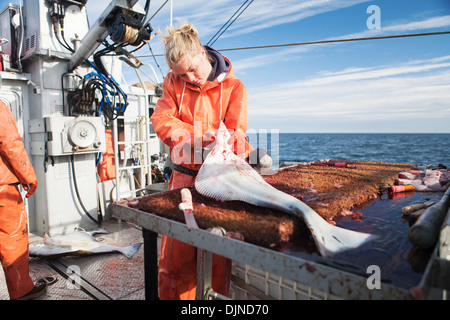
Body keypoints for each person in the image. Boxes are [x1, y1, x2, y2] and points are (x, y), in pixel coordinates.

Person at [151, 23, 270, 299]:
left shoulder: (235, 88)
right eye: (181, 74)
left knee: (217, 260)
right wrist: (197, 137)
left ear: (201, 52)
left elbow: (236, 133)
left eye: (192, 68)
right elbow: (161, 119)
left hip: (219, 182)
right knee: (174, 264)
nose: (189, 77)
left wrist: (225, 143)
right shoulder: (173, 82)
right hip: (181, 180)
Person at [0, 74, 46, 300]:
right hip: (2, 189)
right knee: (12, 239)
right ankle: (22, 291)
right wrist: (28, 176)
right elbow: (9, 142)